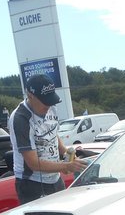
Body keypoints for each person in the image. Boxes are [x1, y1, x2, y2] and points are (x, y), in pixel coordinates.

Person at [8, 73, 86, 205]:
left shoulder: (51, 108)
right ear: (30, 95)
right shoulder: (21, 119)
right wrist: (65, 166)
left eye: (51, 101)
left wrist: (68, 155)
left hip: (55, 178)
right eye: (45, 102)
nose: (48, 106)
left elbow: (53, 134)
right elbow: (33, 163)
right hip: (32, 183)